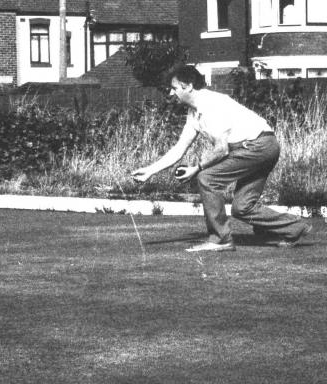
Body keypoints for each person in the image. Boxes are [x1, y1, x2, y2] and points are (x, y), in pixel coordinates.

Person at [131, 65, 313, 252]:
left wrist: (196, 168)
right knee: (242, 208)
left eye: (174, 88)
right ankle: (295, 228)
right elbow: (179, 149)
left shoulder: (211, 105)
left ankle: (220, 240)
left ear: (188, 86)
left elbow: (221, 150)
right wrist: (150, 171)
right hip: (262, 146)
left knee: (207, 179)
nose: (171, 93)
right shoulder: (194, 112)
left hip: (257, 146)